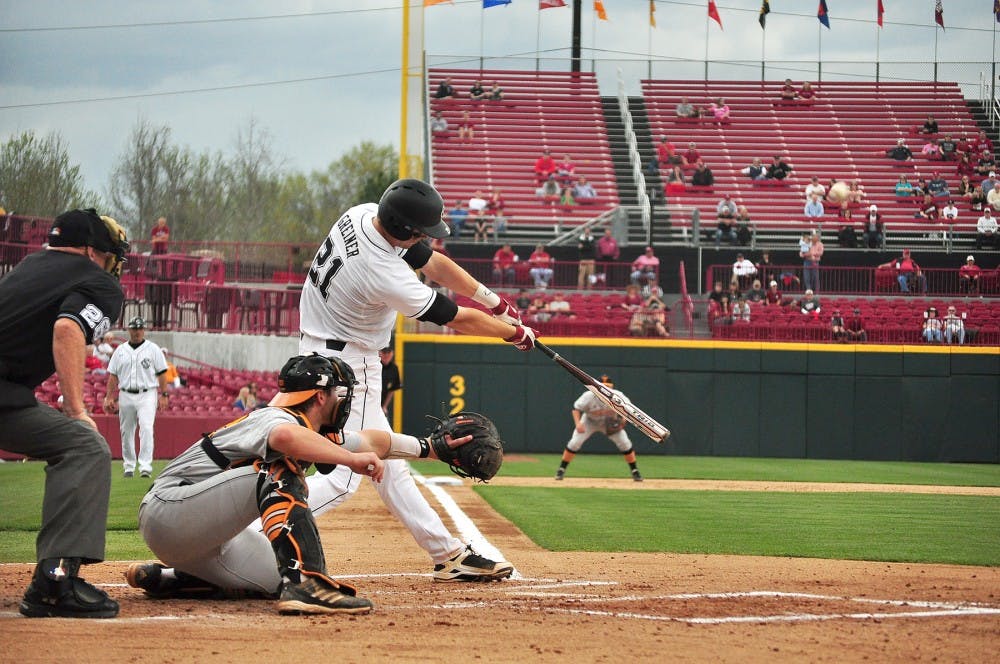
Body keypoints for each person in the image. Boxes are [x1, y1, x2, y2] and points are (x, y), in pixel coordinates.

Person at [125, 355, 499, 613]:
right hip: (169, 511)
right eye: (338, 393)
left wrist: (430, 448)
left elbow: (372, 441)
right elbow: (285, 440)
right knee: (279, 469)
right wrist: (351, 461)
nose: (344, 401)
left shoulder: (310, 430)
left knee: (272, 579)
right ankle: (307, 584)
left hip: (201, 542)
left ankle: (178, 578)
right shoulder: (273, 417)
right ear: (320, 395)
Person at [297, 179, 531, 584]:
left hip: (320, 350)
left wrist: (495, 302)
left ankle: (448, 553)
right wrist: (513, 334)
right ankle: (257, 529)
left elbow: (434, 263)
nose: (426, 237)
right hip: (349, 366)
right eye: (423, 231)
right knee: (345, 476)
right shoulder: (383, 270)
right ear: (405, 229)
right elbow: (455, 317)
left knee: (390, 465)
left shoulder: (362, 214)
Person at [0, 208, 128, 619]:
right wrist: (76, 407)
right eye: (110, 256)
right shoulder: (94, 279)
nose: (111, 264)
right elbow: (68, 329)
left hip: (8, 394)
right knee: (85, 446)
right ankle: (55, 582)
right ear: (93, 251)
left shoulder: (29, 266)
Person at [103, 316, 169, 479]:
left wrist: (164, 394)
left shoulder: (153, 349)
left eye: (140, 328)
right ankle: (129, 467)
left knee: (146, 428)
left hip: (147, 393)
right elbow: (113, 375)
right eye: (134, 328)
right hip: (125, 393)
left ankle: (145, 466)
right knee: (126, 431)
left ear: (143, 330)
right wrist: (109, 396)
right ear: (129, 330)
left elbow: (162, 373)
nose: (137, 331)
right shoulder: (120, 350)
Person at [555, 375, 643, 482]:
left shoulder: (617, 395)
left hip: (609, 423)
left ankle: (635, 471)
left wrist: (624, 420)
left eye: (608, 386)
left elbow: (629, 408)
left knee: (625, 443)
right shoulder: (588, 395)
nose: (606, 389)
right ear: (596, 387)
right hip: (589, 421)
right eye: (603, 386)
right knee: (574, 443)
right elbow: (576, 409)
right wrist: (578, 424)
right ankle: (561, 469)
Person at [379, 346, 401, 415]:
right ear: (379, 353)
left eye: (388, 352)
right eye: (384, 352)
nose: (386, 355)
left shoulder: (394, 368)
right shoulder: (375, 366)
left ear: (392, 353)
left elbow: (392, 389)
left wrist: (384, 406)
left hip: (381, 406)